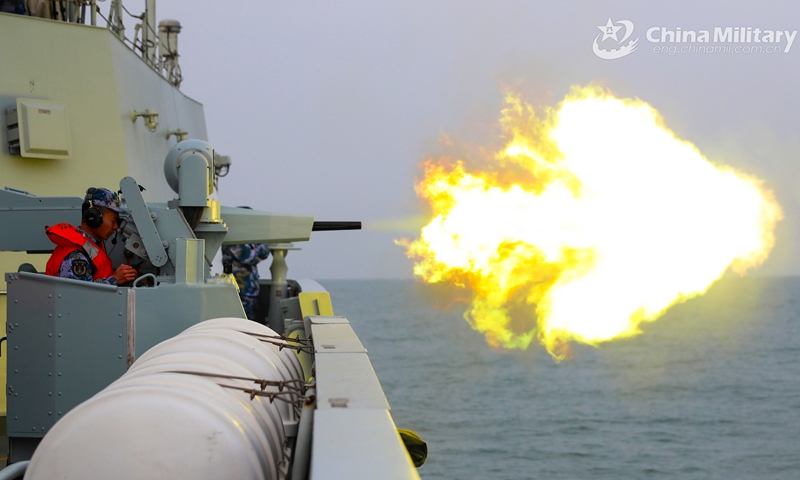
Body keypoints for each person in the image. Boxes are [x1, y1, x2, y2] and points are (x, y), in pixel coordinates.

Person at [45, 187, 138, 285]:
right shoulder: (76, 257)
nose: (115, 227)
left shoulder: (91, 247)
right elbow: (79, 297)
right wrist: (115, 279)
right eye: (113, 221)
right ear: (93, 218)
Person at [222, 243, 270, 322]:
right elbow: (247, 256)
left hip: (251, 289)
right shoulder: (234, 240)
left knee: (253, 321)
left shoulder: (249, 239)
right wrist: (257, 255)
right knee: (241, 322)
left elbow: (266, 250)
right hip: (237, 289)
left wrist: (254, 252)